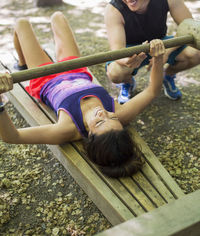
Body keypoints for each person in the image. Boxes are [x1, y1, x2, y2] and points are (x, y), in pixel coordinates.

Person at [0, 11, 165, 178]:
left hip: (45, 79)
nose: (104, 113)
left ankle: (22, 64)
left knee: (21, 23)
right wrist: (158, 57)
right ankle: (22, 61)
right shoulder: (120, 114)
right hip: (76, 69)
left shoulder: (68, 129)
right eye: (112, 118)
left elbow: (12, 136)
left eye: (100, 122)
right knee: (58, 17)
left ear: (90, 136)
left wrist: (0, 100)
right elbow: (153, 90)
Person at [105, 0, 200, 103]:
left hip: (162, 43)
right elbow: (117, 50)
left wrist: (166, 53)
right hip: (131, 50)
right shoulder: (113, 10)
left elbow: (189, 28)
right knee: (115, 73)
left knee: (196, 53)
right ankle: (128, 82)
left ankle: (167, 75)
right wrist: (127, 60)